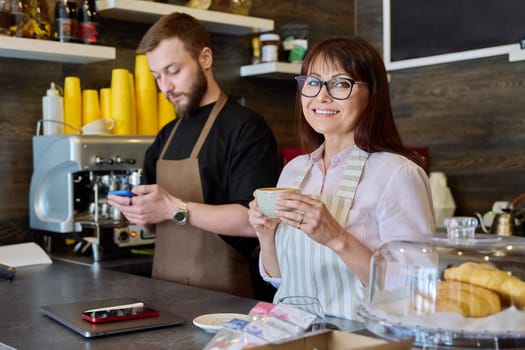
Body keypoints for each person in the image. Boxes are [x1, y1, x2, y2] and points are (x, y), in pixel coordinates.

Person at [248, 37, 435, 319]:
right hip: (291, 331)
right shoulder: (295, 170)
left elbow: (414, 289)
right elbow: (281, 280)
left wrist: (337, 238)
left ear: (373, 94)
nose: (321, 96)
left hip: (361, 337)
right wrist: (265, 233)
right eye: (312, 82)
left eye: (339, 84)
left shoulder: (398, 173)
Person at [108, 12, 279, 298]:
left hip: (229, 299)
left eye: (173, 71)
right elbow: (153, 221)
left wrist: (174, 208)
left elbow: (253, 222)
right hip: (166, 293)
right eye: (157, 77)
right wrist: (139, 211)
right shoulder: (166, 135)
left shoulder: (246, 128)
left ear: (205, 58)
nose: (165, 87)